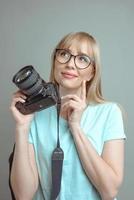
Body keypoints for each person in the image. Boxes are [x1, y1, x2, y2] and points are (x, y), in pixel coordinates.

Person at [10, 32, 126, 200]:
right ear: (55, 62)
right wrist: (22, 127)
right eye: (64, 54)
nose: (71, 64)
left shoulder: (109, 113)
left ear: (92, 72)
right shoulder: (36, 114)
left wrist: (76, 127)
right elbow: (23, 195)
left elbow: (109, 191)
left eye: (82, 59)